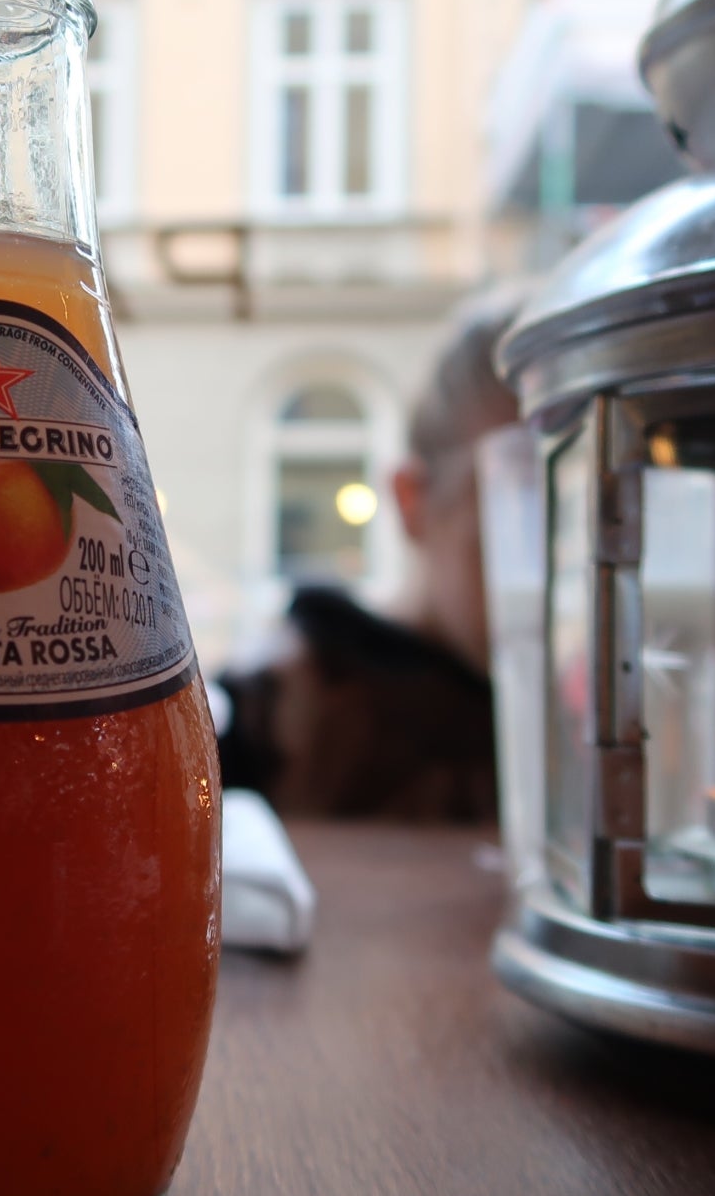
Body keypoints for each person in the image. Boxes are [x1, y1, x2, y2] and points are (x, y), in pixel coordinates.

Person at [218, 285, 526, 824]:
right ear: (411, 500)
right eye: (507, 530)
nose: (545, 580)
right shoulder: (274, 709)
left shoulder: (589, 709)